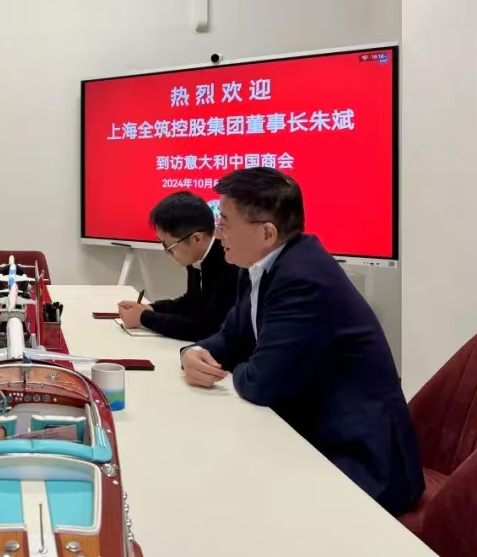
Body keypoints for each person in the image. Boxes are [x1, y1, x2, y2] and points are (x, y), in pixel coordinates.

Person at [181, 168, 423, 516]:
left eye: (225, 223)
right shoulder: (258, 265)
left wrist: (231, 367)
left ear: (267, 233)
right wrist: (195, 352)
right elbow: (231, 335)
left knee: (231, 499)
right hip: (308, 429)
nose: (217, 233)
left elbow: (261, 383)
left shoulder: (304, 278)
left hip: (358, 459)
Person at [117, 191, 239, 341]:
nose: (165, 252)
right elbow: (191, 303)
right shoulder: (198, 254)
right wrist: (151, 308)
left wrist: (144, 318)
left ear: (196, 239)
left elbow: (207, 328)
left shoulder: (229, 261)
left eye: (168, 246)